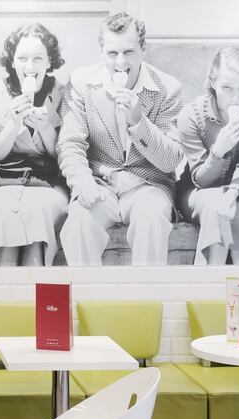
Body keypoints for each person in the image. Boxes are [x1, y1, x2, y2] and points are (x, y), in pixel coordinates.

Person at [57, 12, 184, 266]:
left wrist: (138, 122)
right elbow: (70, 143)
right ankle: (87, 299)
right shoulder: (82, 83)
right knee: (78, 223)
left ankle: (145, 301)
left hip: (147, 185)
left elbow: (171, 161)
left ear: (143, 49)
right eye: (112, 53)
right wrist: (82, 183)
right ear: (101, 51)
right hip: (99, 183)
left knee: (152, 221)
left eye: (129, 52)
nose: (120, 62)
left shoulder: (168, 88)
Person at [176, 48, 239, 265]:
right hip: (199, 190)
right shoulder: (191, 115)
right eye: (227, 87)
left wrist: (232, 193)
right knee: (215, 206)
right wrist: (218, 150)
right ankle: (210, 287)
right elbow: (201, 179)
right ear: (213, 82)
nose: (236, 96)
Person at [0, 23, 69, 266]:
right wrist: (13, 124)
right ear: (12, 62)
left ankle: (38, 297)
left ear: (49, 62)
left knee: (36, 215)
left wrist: (45, 128)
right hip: (6, 181)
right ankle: (4, 296)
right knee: (8, 215)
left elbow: (66, 156)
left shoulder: (63, 94)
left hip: (50, 184)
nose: (29, 67)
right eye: (22, 58)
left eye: (37, 59)